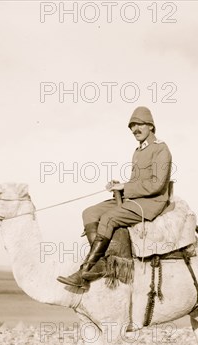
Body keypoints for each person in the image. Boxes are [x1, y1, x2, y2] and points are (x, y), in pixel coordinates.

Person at [57, 106, 172, 288]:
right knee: (89, 213)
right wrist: (119, 186)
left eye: (140, 124)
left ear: (151, 126)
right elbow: (138, 181)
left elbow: (156, 185)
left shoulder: (161, 149)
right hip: (134, 197)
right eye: (132, 126)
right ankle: (104, 261)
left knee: (109, 218)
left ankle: (86, 271)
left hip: (151, 202)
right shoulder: (139, 151)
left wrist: (125, 187)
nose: (135, 129)